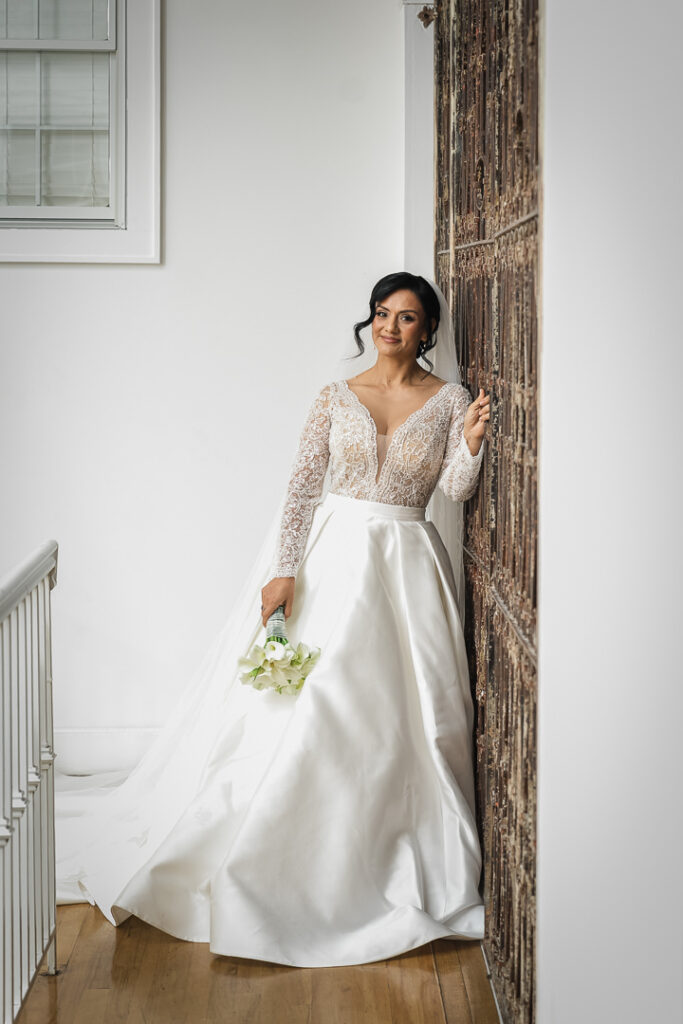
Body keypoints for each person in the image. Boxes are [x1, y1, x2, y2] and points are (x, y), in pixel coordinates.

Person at [56, 271, 491, 969]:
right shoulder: (333, 397)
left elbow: (453, 492)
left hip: (406, 564)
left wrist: (468, 443)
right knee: (312, 704)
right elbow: (300, 486)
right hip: (333, 561)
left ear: (427, 331)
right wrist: (283, 570)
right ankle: (281, 853)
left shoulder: (448, 401)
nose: (389, 328)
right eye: (381, 314)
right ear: (369, 321)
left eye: (406, 318)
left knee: (401, 720)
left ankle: (379, 853)